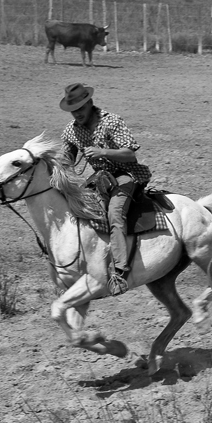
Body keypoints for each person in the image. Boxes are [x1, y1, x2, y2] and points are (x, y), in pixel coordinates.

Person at [59, 82, 151, 296]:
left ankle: (120, 272)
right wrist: (59, 169)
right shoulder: (71, 131)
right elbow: (67, 159)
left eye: (80, 108)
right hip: (99, 178)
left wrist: (103, 152)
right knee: (80, 212)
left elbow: (130, 154)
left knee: (114, 214)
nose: (77, 114)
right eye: (73, 110)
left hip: (126, 175)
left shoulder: (111, 121)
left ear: (90, 103)